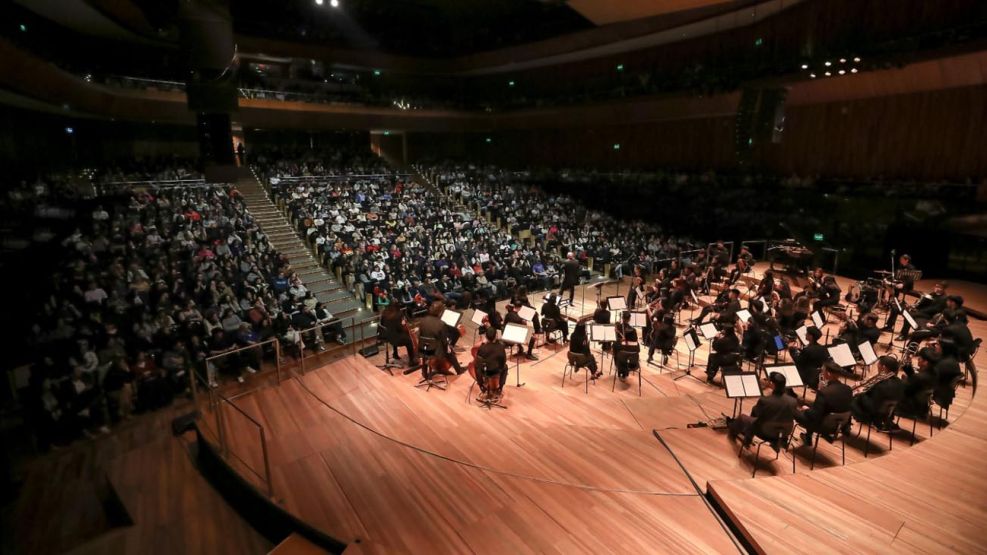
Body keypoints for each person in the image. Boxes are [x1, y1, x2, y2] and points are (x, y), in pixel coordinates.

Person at [728, 371, 800, 447]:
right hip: (784, 433)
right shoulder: (793, 401)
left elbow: (756, 413)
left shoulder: (765, 400)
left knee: (742, 417)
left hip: (766, 432)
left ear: (772, 384)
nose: (767, 381)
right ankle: (749, 436)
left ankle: (743, 436)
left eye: (768, 380)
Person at [797, 362, 852, 446]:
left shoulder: (824, 392)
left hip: (825, 425)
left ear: (828, 374)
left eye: (822, 371)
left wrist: (806, 409)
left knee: (796, 412)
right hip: (839, 424)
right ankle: (810, 435)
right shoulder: (848, 389)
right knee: (813, 406)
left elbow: (814, 415)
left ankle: (808, 437)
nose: (821, 372)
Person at [850, 355, 906, 431]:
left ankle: (844, 425)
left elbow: (872, 405)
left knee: (851, 398)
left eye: (878, 365)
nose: (877, 368)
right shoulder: (900, 382)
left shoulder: (881, 385)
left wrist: (859, 393)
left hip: (874, 414)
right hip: (888, 413)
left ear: (884, 367)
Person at [417, 301, 466, 375]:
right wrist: (449, 347)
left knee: (431, 345)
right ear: (440, 312)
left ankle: (424, 372)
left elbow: (420, 334)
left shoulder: (422, 320)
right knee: (449, 351)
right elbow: (444, 341)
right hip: (435, 351)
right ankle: (459, 370)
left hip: (423, 348)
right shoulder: (441, 324)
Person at [473, 327, 508, 401]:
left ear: (486, 336)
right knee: (505, 367)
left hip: (484, 371)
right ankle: (500, 388)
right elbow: (503, 361)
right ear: (496, 336)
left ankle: (481, 385)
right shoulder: (500, 347)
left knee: (476, 365)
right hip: (495, 371)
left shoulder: (482, 347)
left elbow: (478, 361)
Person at [614, 311, 640, 380]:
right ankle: (625, 372)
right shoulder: (633, 330)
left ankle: (619, 368)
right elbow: (636, 343)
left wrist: (620, 341)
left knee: (616, 347)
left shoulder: (618, 327)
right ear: (629, 319)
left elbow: (615, 339)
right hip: (632, 355)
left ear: (622, 318)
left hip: (622, 353)